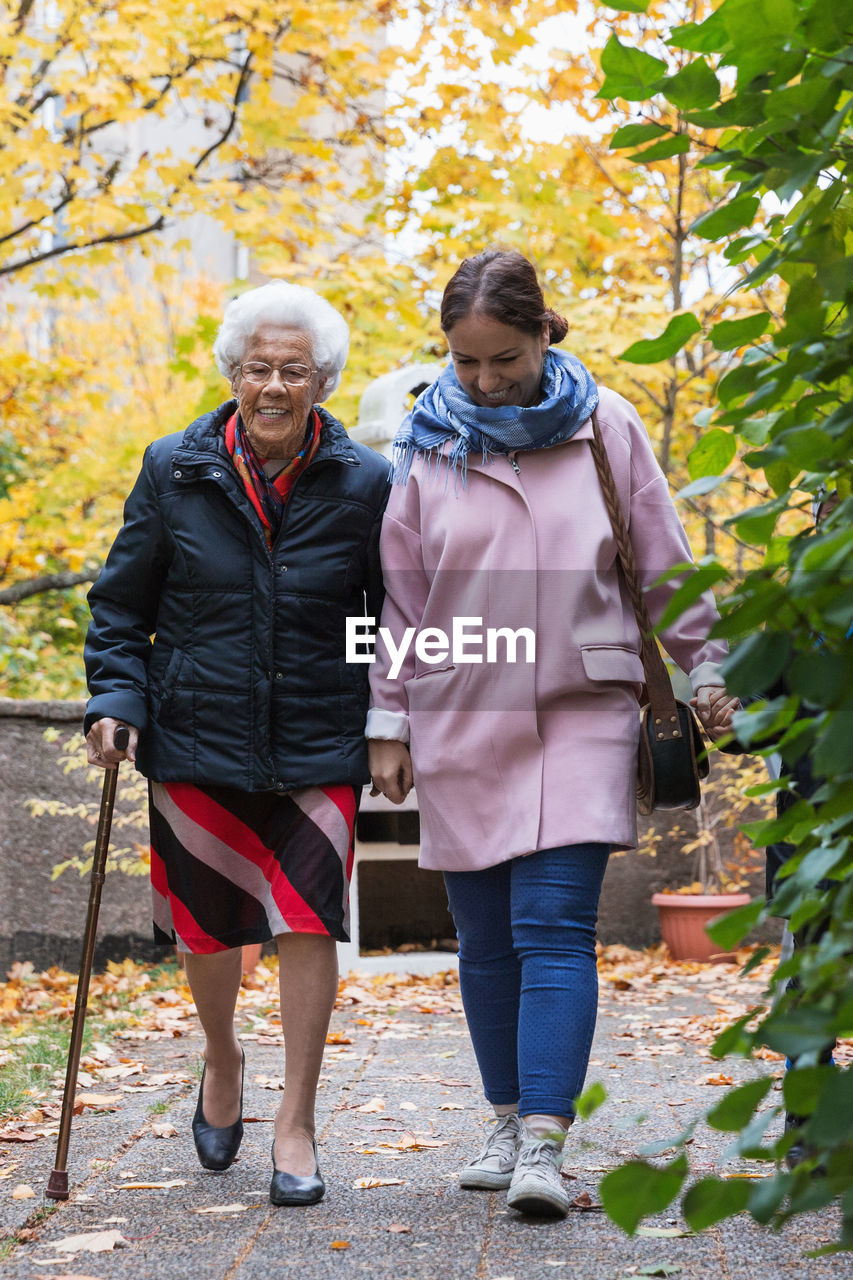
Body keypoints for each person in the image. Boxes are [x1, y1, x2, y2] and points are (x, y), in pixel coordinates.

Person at [366, 249, 738, 1219]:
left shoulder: (604, 427)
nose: (485, 381)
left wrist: (706, 670)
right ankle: (500, 1119)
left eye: (504, 359)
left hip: (583, 703)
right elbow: (402, 604)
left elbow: (666, 562)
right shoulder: (425, 443)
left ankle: (543, 1138)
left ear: (542, 334)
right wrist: (387, 721)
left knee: (553, 926)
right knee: (484, 938)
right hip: (461, 713)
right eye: (467, 362)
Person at [84, 280, 390, 1207]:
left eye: (293, 371)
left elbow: (381, 615)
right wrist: (117, 699)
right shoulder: (172, 468)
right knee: (209, 929)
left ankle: (295, 1121)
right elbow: (122, 607)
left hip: (318, 741)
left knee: (306, 921)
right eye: (257, 367)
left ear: (323, 383)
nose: (272, 386)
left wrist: (376, 713)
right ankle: (222, 1057)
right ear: (231, 373)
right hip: (197, 735)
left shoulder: (367, 481)